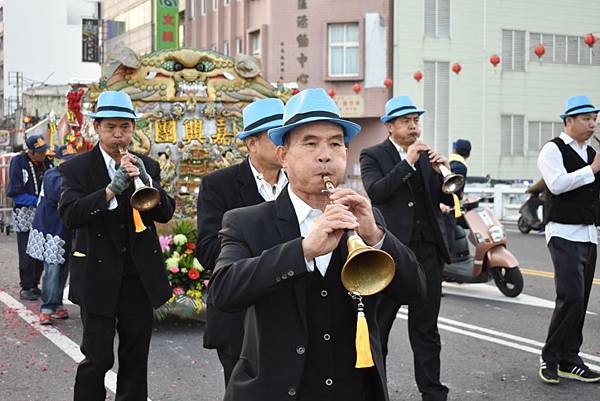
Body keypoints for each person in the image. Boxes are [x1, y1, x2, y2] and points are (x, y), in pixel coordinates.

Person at [208, 88, 425, 401]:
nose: (325, 155)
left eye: (336, 143)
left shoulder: (365, 218)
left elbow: (415, 290)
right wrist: (303, 251)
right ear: (283, 155)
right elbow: (223, 291)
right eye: (310, 143)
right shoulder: (246, 221)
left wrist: (376, 236)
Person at [58, 91, 176, 401]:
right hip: (97, 277)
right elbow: (70, 215)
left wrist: (148, 183)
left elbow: (164, 212)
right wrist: (110, 191)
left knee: (136, 358)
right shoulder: (76, 169)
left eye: (125, 127)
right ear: (96, 127)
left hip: (138, 278)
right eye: (110, 127)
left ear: (133, 128)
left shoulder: (146, 163)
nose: (118, 135)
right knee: (97, 358)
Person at [360, 95, 453, 401]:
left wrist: (445, 171)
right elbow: (377, 192)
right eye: (406, 121)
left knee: (426, 329)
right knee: (381, 326)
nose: (413, 127)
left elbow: (443, 197)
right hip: (390, 253)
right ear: (389, 126)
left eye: (416, 121)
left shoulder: (427, 156)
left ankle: (433, 392)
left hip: (427, 251)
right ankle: (375, 390)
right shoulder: (372, 155)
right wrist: (407, 162)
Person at [198, 98, 287, 385]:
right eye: (276, 136)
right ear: (251, 143)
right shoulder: (219, 184)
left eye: (288, 135)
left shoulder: (302, 182)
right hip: (240, 315)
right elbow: (208, 249)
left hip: (292, 309)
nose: (284, 143)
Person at [537, 95, 600, 384]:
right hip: (563, 231)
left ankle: (570, 358)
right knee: (571, 295)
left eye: (594, 119)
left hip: (589, 233)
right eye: (587, 118)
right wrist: (594, 169)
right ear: (569, 121)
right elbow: (557, 184)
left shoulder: (591, 152)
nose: (593, 124)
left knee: (582, 299)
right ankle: (550, 357)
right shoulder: (553, 150)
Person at [27, 145, 80, 324]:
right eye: (67, 161)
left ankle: (56, 304)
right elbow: (62, 195)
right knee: (52, 269)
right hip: (49, 229)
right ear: (58, 161)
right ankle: (47, 308)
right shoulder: (53, 176)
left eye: (74, 160)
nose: (71, 164)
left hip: (66, 230)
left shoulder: (74, 176)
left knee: (63, 268)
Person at [6, 134, 52, 300]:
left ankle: (34, 284)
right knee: (26, 251)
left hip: (42, 212)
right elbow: (15, 193)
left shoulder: (46, 162)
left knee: (40, 249)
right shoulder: (18, 162)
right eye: (39, 153)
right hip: (24, 212)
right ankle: (26, 286)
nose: (42, 155)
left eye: (44, 151)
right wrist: (37, 201)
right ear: (30, 152)